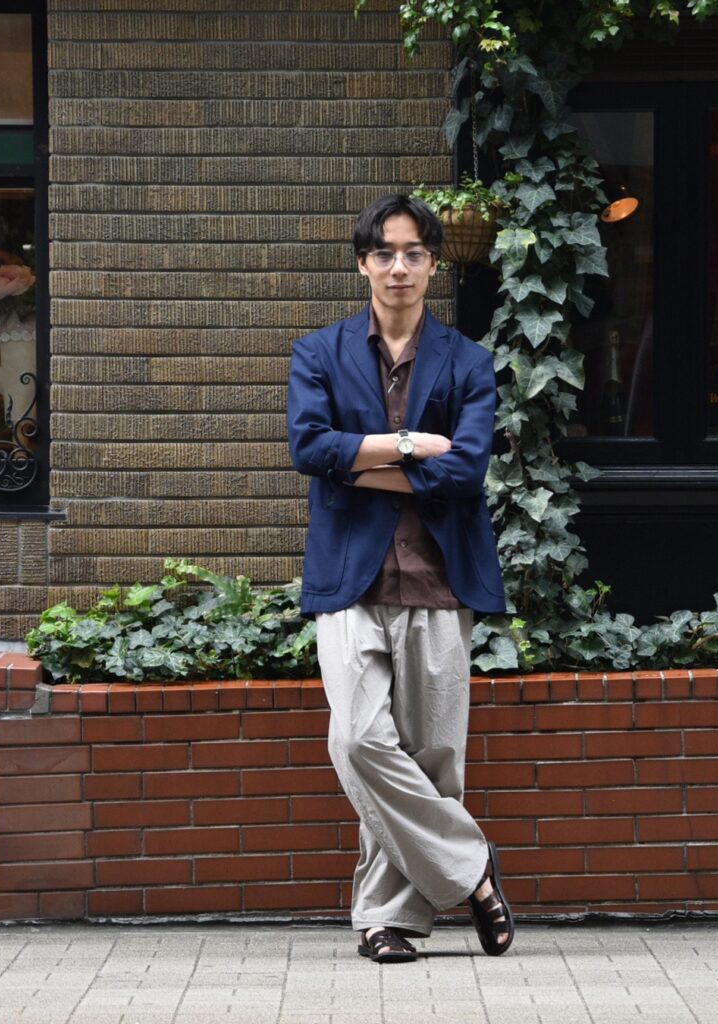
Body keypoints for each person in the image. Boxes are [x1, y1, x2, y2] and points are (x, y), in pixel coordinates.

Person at [287, 193, 513, 964]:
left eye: (413, 253)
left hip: (440, 578)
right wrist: (414, 444)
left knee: (431, 760)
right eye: (384, 253)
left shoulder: (467, 361)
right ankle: (472, 870)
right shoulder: (318, 353)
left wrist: (362, 462)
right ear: (362, 263)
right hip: (349, 579)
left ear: (432, 264)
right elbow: (310, 448)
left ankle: (390, 921)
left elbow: (467, 469)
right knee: (357, 740)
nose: (398, 267)